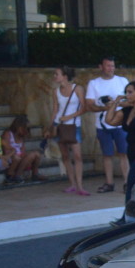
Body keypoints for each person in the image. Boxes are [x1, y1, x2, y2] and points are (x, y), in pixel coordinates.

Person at [85, 56, 129, 193]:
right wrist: (105, 107)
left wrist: (115, 103)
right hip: (102, 125)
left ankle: (128, 183)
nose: (111, 68)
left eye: (112, 66)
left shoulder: (122, 81)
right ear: (101, 67)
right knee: (107, 155)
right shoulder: (94, 84)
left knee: (124, 153)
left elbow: (131, 101)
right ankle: (109, 183)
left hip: (120, 125)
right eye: (108, 66)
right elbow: (90, 105)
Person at [48, 65, 87, 195]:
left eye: (57, 74)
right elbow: (55, 110)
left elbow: (83, 108)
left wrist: (69, 116)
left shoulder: (77, 89)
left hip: (73, 124)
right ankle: (72, 184)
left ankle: (80, 185)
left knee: (77, 155)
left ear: (65, 76)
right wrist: (51, 126)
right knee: (65, 155)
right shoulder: (56, 91)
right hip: (60, 124)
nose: (55, 76)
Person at [3, 116, 42, 183]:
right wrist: (17, 155)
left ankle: (35, 174)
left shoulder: (21, 137)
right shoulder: (8, 134)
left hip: (20, 158)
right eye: (24, 128)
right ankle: (17, 176)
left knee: (36, 154)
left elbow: (23, 151)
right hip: (11, 158)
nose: (26, 130)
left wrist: (25, 157)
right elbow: (6, 150)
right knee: (22, 157)